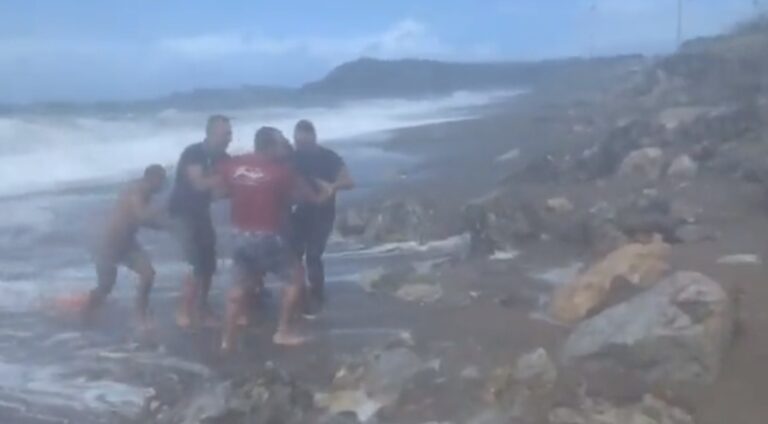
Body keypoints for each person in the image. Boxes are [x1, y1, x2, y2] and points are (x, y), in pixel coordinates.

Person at [219, 127, 332, 350]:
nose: (285, 146)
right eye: (281, 143)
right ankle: (283, 331)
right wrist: (327, 190)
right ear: (270, 147)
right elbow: (310, 199)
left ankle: (227, 339)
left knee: (239, 286)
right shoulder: (282, 172)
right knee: (295, 279)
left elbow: (221, 190)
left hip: (239, 234)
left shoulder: (233, 165)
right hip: (267, 235)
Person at [81, 164, 167, 332]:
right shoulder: (137, 191)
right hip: (108, 243)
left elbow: (140, 219)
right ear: (153, 179)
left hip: (127, 243)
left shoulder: (145, 192)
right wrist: (165, 209)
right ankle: (87, 314)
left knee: (148, 274)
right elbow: (141, 216)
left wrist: (168, 226)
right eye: (162, 182)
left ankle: (140, 314)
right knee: (106, 286)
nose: (163, 187)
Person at [169, 115, 232, 328]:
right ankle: (184, 309)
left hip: (201, 213)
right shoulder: (194, 153)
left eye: (230, 134)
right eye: (225, 134)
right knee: (197, 263)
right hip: (182, 213)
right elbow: (199, 184)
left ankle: (202, 307)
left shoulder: (224, 158)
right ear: (211, 134)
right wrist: (224, 179)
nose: (229, 138)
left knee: (209, 263)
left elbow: (224, 191)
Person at [291, 120, 354, 315]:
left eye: (305, 144)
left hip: (322, 213)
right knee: (293, 255)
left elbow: (349, 181)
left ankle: (317, 294)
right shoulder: (291, 157)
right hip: (296, 213)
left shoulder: (328, 157)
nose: (301, 148)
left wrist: (332, 187)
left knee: (313, 255)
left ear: (314, 139)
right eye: (298, 143)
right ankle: (298, 294)